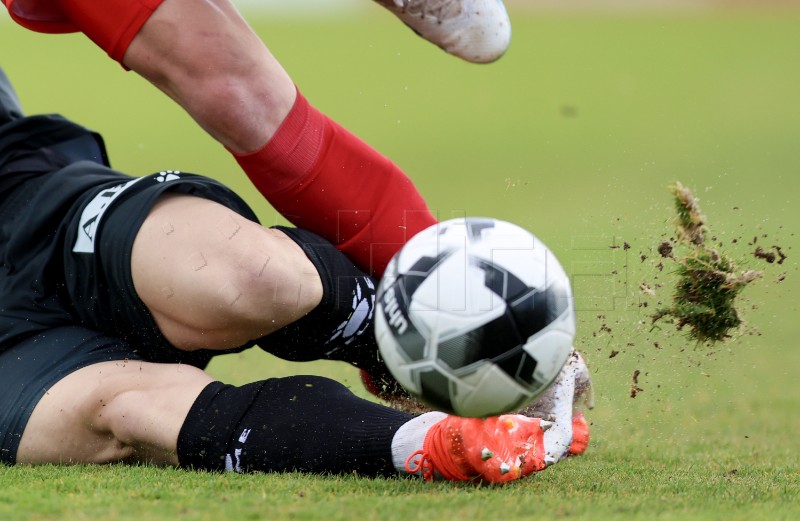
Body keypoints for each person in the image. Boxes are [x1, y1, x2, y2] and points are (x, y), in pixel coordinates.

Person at [3, 0, 592, 465]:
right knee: (130, 413)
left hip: (21, 205)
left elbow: (236, 90)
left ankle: (414, 333)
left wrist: (471, 316)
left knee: (255, 278)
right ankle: (430, 445)